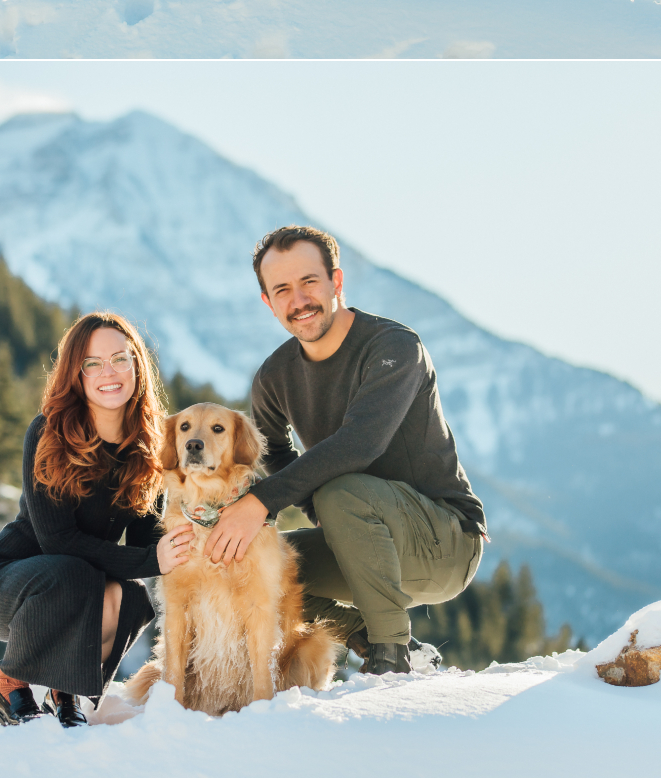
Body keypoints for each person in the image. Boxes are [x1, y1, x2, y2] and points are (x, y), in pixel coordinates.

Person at [202, 226, 488, 677]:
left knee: (342, 491)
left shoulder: (393, 347)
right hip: (360, 537)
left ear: (336, 282)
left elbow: (361, 443)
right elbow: (272, 448)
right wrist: (321, 513)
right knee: (256, 569)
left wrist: (261, 502)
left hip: (444, 542)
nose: (299, 300)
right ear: (268, 303)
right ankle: (374, 639)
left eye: (309, 282)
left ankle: (392, 663)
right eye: (282, 289)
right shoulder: (274, 378)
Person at [0, 312, 193, 728]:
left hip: (76, 585)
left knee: (132, 599)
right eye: (93, 363)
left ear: (137, 366)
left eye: (120, 359)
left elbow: (147, 542)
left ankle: (66, 690)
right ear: (77, 372)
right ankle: (7, 686)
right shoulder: (48, 431)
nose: (109, 372)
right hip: (3, 584)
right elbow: (58, 542)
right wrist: (152, 560)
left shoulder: (149, 447)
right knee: (76, 571)